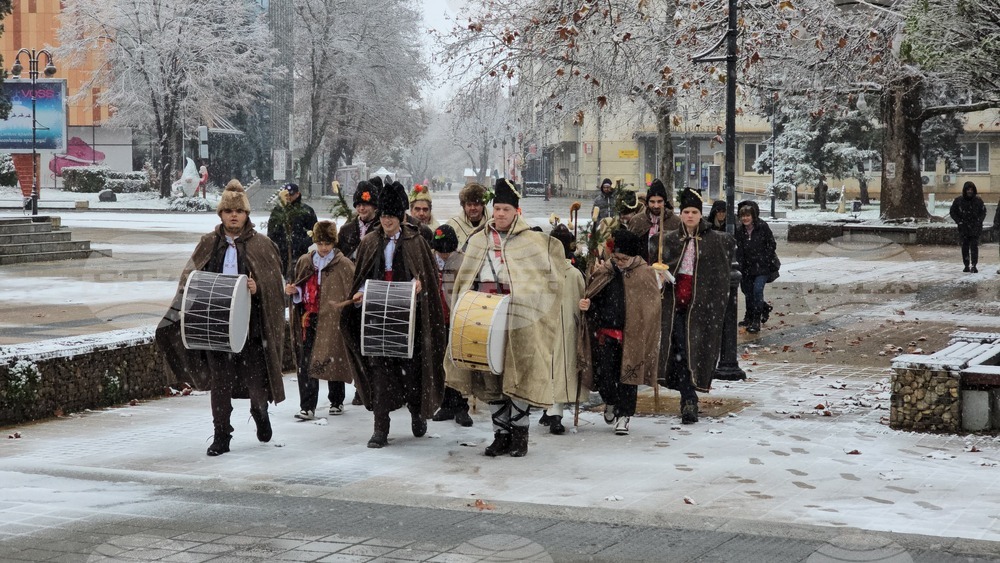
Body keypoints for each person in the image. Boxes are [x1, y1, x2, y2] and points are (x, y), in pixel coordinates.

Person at [155, 181, 285, 456]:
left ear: (247, 214)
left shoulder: (262, 246)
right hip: (214, 329)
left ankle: (260, 412)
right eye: (228, 210)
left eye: (239, 210)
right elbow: (189, 280)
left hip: (251, 330)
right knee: (220, 383)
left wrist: (258, 287)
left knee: (256, 383)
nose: (233, 215)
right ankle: (221, 435)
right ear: (221, 214)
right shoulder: (208, 244)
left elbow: (274, 286)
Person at [445, 178, 565, 457]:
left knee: (518, 375)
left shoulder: (531, 242)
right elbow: (464, 280)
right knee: (490, 378)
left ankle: (520, 436)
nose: (500, 214)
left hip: (518, 318)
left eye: (505, 210)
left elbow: (545, 280)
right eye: (496, 209)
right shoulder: (478, 240)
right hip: (484, 318)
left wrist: (524, 298)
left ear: (516, 212)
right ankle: (501, 434)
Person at [347, 182, 447, 448]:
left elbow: (427, 278)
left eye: (391, 216)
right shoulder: (369, 242)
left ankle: (417, 413)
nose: (386, 221)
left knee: (413, 372)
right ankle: (381, 428)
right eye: (383, 216)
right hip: (378, 320)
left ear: (401, 216)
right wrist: (358, 294)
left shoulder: (417, 241)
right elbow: (361, 276)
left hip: (410, 321)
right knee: (380, 374)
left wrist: (420, 286)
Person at [660, 188, 734, 424]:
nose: (690, 216)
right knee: (681, 351)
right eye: (686, 212)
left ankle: (690, 396)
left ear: (700, 214)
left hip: (701, 309)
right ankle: (688, 399)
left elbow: (719, 276)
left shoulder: (713, 241)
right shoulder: (670, 239)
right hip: (676, 307)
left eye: (694, 212)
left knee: (695, 352)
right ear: (680, 214)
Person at [578, 229, 661, 435]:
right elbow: (593, 296)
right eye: (616, 257)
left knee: (628, 377)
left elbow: (652, 307)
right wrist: (588, 306)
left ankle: (624, 416)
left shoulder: (645, 273)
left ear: (633, 256)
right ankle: (611, 401)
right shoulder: (606, 271)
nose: (619, 262)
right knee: (605, 375)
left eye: (624, 258)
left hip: (632, 336)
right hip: (607, 333)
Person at [285, 221, 356, 420]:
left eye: (328, 243)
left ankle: (336, 399)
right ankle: (307, 405)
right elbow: (299, 284)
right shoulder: (306, 261)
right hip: (309, 318)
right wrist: (294, 291)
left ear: (334, 242)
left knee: (332, 356)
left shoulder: (343, 264)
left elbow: (352, 289)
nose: (324, 248)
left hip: (332, 319)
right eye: (320, 243)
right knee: (306, 361)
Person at [537, 224, 585, 435]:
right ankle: (549, 409)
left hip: (566, 329)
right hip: (546, 329)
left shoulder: (573, 274)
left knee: (561, 370)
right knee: (547, 369)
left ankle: (555, 412)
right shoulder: (541, 272)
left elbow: (581, 299)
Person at [429, 223, 474, 427]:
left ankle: (461, 406)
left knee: (457, 363)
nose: (444, 255)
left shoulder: (463, 262)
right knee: (440, 362)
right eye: (441, 250)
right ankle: (445, 402)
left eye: (447, 251)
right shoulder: (430, 260)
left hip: (456, 320)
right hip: (436, 319)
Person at [734, 201, 777, 333]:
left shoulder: (762, 227)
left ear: (753, 216)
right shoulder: (740, 230)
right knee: (748, 292)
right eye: (743, 216)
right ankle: (750, 315)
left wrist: (765, 258)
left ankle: (756, 320)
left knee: (757, 291)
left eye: (748, 215)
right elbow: (738, 248)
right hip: (746, 267)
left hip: (761, 267)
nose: (745, 218)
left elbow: (771, 243)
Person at [267, 182, 318, 279]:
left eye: (291, 194)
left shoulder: (306, 211)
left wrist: (301, 245)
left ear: (298, 194)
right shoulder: (278, 211)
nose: (289, 197)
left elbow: (314, 232)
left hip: (299, 254)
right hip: (281, 254)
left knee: (299, 279)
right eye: (286, 195)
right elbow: (271, 232)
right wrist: (279, 245)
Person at [627, 179, 681, 264]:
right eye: (652, 202)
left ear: (665, 202)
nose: (656, 206)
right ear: (647, 202)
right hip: (641, 269)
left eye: (659, 201)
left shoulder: (675, 222)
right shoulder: (637, 221)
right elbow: (630, 248)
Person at [337, 180, 380, 262]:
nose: (361, 208)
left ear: (374, 207)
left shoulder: (381, 229)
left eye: (365, 204)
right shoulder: (346, 230)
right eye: (358, 205)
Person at [950, 181, 986, 273]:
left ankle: (974, 265)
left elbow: (983, 212)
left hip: (975, 228)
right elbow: (953, 212)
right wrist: (959, 222)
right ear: (965, 190)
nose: (970, 191)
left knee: (974, 247)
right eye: (968, 189)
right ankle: (966, 265)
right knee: (965, 247)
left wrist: (979, 221)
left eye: (971, 189)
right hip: (964, 228)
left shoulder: (978, 201)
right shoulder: (958, 201)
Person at [447, 183, 491, 249]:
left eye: (476, 204)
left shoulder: (492, 224)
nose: (472, 208)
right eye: (469, 204)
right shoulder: (453, 225)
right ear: (464, 206)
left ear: (483, 204)